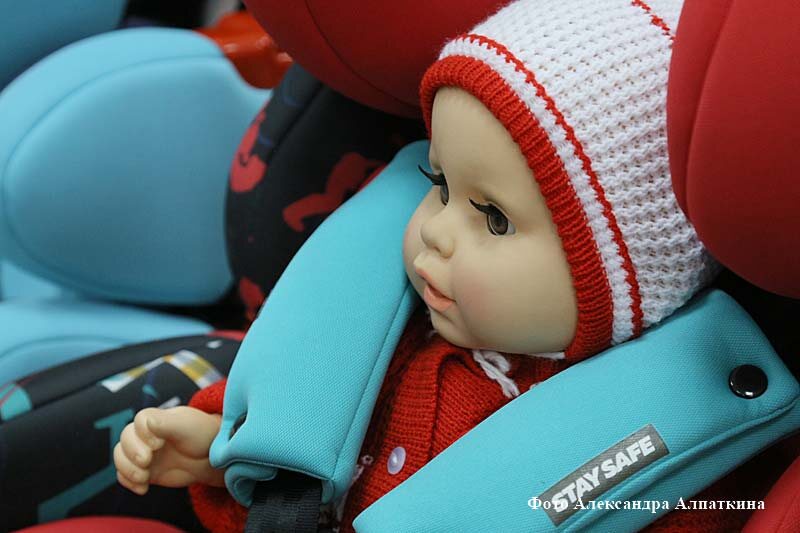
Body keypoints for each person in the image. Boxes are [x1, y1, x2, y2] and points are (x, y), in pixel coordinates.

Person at [114, 0, 734, 530]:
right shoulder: (389, 346)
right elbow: (290, 468)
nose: (436, 230)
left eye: (494, 217)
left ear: (626, 277)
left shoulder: (653, 469)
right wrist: (222, 454)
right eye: (438, 184)